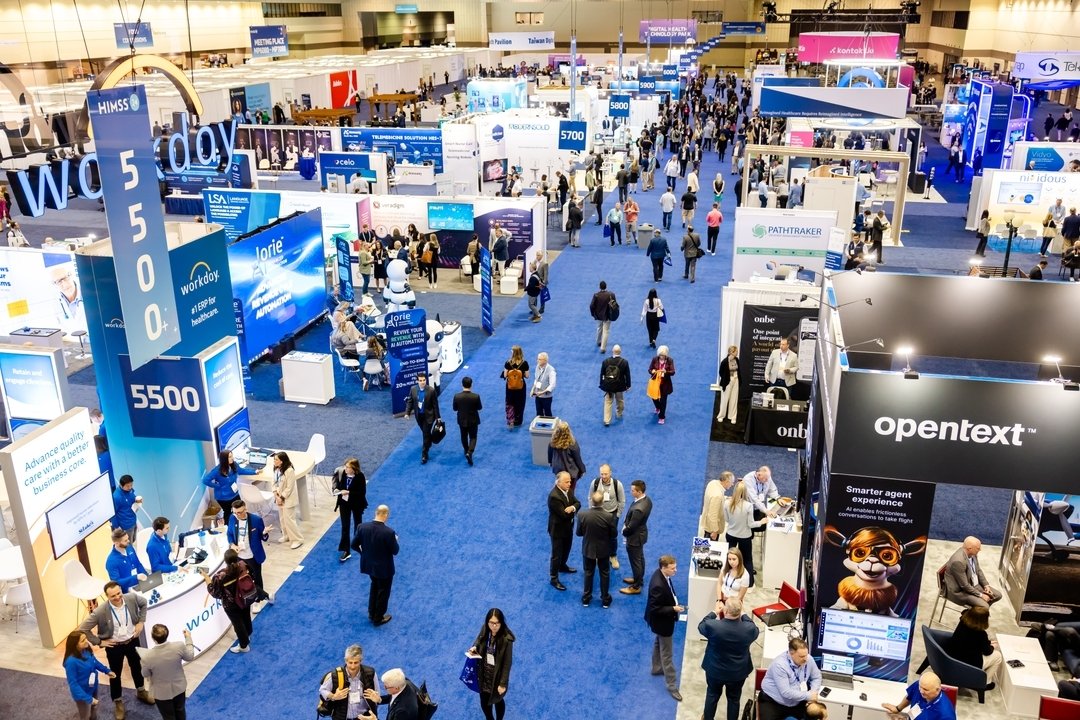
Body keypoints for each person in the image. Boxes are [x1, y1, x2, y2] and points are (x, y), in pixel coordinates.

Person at [78, 581, 154, 716]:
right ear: (107, 597)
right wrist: (99, 642)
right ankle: (118, 702)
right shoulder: (100, 611)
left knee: (137, 667)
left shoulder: (131, 597)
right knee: (115, 674)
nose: (118, 597)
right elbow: (83, 628)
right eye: (113, 596)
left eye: (119, 593)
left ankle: (141, 691)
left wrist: (141, 622)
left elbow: (144, 603)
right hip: (114, 647)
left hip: (133, 641)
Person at [699, 597, 759, 720]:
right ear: (740, 611)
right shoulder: (749, 629)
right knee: (734, 699)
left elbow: (701, 625)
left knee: (712, 695)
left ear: (725, 611)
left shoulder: (713, 625)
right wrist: (743, 613)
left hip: (715, 670)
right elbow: (754, 627)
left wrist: (714, 612)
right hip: (737, 673)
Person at [642, 554, 686, 701]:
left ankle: (656, 668)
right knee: (667, 654)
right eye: (673, 568)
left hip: (659, 623)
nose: (676, 571)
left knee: (658, 642)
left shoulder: (660, 575)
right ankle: (672, 686)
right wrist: (673, 609)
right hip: (662, 622)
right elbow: (655, 608)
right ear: (664, 567)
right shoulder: (658, 585)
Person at [352, 504, 399, 626]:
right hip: (384, 569)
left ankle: (371, 612)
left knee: (374, 587)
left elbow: (353, 545)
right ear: (386, 515)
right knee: (383, 591)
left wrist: (363, 554)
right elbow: (395, 551)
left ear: (376, 513)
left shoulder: (362, 527)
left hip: (369, 566)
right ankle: (378, 618)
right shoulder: (389, 533)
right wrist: (395, 540)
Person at [467, 608, 516, 720]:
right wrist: (474, 646)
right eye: (491, 623)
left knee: (498, 700)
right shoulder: (485, 628)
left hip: (497, 677)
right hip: (483, 674)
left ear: (501, 623)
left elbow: (507, 664)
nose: (494, 626)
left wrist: (503, 683)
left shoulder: (506, 639)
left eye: (497, 623)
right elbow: (479, 640)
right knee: (484, 701)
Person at [758, 638, 823, 720]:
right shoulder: (779, 665)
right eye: (802, 656)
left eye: (806, 655)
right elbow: (786, 692)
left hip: (798, 701)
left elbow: (816, 677)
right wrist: (808, 695)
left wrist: (813, 692)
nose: (805, 659)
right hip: (774, 702)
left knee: (816, 715)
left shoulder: (808, 659)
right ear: (791, 654)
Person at [138, 624, 194, 720]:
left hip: (161, 694)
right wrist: (188, 639)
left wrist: (142, 663)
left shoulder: (147, 656)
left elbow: (145, 674)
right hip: (179, 688)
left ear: (153, 638)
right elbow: (190, 656)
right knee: (180, 711)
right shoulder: (179, 646)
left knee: (168, 717)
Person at [226, 500, 273, 610]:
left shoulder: (256, 520)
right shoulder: (232, 518)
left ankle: (258, 600)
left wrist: (265, 533)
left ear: (245, 509)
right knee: (243, 579)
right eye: (235, 512)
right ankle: (264, 596)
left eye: (240, 512)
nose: (237, 515)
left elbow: (263, 537)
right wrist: (232, 544)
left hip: (253, 556)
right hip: (239, 556)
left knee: (256, 578)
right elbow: (229, 534)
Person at [942, 606, 1003, 688]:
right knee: (998, 656)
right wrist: (992, 646)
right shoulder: (981, 634)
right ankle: (985, 683)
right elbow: (987, 651)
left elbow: (974, 643)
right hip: (968, 664)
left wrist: (987, 642)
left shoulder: (962, 622)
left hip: (953, 656)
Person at [724, 482, 772, 585]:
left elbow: (726, 519)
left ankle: (727, 578)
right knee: (747, 559)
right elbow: (751, 524)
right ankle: (749, 583)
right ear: (746, 492)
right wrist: (761, 522)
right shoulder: (748, 506)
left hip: (731, 534)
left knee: (729, 557)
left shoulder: (727, 503)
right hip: (745, 537)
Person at [63, 630, 116, 720]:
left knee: (94, 709)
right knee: (85, 715)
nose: (86, 641)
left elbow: (94, 662)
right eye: (83, 640)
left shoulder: (86, 650)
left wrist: (106, 671)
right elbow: (73, 685)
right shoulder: (71, 662)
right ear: (75, 645)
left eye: (85, 639)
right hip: (82, 694)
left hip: (93, 686)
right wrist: (89, 699)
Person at [577, 491, 617, 608]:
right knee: (604, 573)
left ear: (591, 501)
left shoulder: (582, 515)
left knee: (588, 573)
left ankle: (586, 598)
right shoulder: (608, 516)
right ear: (603, 502)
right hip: (604, 550)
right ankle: (605, 600)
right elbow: (613, 534)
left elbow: (579, 533)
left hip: (588, 548)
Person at [318, 644, 378, 720]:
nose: (353, 666)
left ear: (361, 661)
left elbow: (377, 695)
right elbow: (322, 690)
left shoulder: (370, 673)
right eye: (350, 662)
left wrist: (377, 700)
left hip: (364, 717)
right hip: (341, 717)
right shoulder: (335, 675)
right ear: (345, 660)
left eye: (356, 663)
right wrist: (333, 696)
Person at [202, 450, 257, 527]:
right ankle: (228, 528)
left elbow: (241, 471)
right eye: (230, 457)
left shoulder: (233, 465)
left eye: (232, 456)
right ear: (224, 459)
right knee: (228, 512)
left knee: (240, 508)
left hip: (234, 493)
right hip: (224, 497)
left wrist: (255, 471)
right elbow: (205, 480)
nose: (232, 458)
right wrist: (218, 486)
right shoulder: (217, 471)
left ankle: (241, 524)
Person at [944, 536, 1002, 608]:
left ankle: (977, 613)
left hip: (974, 585)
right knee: (985, 606)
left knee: (998, 595)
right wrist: (981, 595)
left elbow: (978, 570)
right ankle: (976, 614)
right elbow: (964, 586)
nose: (980, 550)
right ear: (969, 548)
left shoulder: (973, 554)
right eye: (978, 548)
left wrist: (986, 585)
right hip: (961, 592)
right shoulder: (958, 561)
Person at [548, 471, 580, 591]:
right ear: (558, 482)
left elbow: (578, 503)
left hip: (568, 528)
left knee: (567, 549)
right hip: (557, 531)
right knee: (556, 555)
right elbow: (564, 515)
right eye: (566, 482)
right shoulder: (554, 497)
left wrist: (572, 507)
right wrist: (573, 510)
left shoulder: (568, 490)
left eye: (570, 481)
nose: (569, 483)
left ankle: (562, 566)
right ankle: (554, 578)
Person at [332, 458, 368, 562]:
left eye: (348, 467)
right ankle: (346, 550)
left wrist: (348, 492)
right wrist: (337, 490)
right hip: (344, 504)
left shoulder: (360, 477)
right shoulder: (342, 473)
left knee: (358, 524)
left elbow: (362, 493)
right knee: (345, 526)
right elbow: (337, 484)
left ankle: (359, 544)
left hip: (356, 503)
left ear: (354, 468)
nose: (345, 469)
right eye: (345, 466)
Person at [882, 670, 957, 720]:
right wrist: (898, 708)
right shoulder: (920, 684)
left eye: (926, 689)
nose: (921, 691)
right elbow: (909, 696)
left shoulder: (946, 715)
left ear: (937, 689)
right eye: (920, 687)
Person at [620, 480, 651, 595]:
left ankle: (636, 586)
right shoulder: (647, 500)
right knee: (640, 558)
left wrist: (624, 532)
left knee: (636, 562)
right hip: (641, 535)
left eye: (633, 490)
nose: (631, 491)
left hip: (634, 538)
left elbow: (631, 527)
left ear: (639, 492)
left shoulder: (638, 509)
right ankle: (639, 579)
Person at [404, 373, 441, 464]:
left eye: (424, 380)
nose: (422, 382)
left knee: (425, 434)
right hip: (419, 416)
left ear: (426, 380)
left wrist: (438, 418)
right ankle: (429, 441)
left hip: (429, 417)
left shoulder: (431, 391)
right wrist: (407, 413)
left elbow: (435, 405)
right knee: (426, 433)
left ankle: (424, 455)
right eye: (420, 380)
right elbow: (410, 401)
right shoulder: (413, 389)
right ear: (417, 381)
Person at [271, 451, 304, 548]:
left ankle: (297, 539)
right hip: (278, 497)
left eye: (276, 459)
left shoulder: (289, 471)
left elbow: (290, 487)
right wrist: (275, 494)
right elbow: (273, 481)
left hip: (287, 499)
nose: (274, 461)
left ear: (282, 461)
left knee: (289, 520)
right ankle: (286, 535)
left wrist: (281, 497)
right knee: (282, 518)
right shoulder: (276, 469)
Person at [548, 420, 586, 491]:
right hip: (570, 471)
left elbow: (550, 453)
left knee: (560, 483)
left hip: (558, 468)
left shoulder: (553, 441)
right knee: (570, 489)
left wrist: (551, 462)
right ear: (568, 430)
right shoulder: (573, 444)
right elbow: (578, 459)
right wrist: (583, 470)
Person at [452, 375, 482, 466]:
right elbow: (479, 407)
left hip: (461, 420)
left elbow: (454, 408)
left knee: (463, 436)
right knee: (473, 437)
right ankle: (470, 452)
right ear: (471, 385)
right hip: (473, 420)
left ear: (462, 385)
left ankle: (466, 450)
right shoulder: (475, 396)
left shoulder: (457, 396)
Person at [105, 528, 147, 592]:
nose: (129, 541)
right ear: (117, 543)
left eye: (127, 538)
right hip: (128, 590)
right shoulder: (111, 562)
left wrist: (146, 576)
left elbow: (138, 564)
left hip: (141, 583)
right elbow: (117, 583)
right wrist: (136, 577)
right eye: (125, 540)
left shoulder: (129, 547)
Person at [599, 345, 631, 427]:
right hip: (619, 386)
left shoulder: (605, 361)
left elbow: (602, 374)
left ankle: (606, 420)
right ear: (620, 352)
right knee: (620, 401)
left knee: (608, 402)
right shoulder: (624, 362)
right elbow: (627, 375)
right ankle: (619, 413)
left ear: (612, 351)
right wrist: (628, 385)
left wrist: (602, 384)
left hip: (608, 386)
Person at [501, 346, 529, 428]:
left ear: (513, 353)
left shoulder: (507, 363)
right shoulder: (524, 363)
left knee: (510, 402)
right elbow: (527, 376)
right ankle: (518, 421)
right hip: (520, 387)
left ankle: (510, 420)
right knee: (520, 403)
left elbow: (505, 375)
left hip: (510, 387)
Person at [701, 472, 735, 540]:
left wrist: (725, 498)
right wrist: (715, 531)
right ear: (726, 481)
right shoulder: (717, 496)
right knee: (710, 549)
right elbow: (712, 515)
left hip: (707, 522)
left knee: (705, 547)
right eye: (732, 482)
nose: (732, 484)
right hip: (712, 528)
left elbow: (711, 498)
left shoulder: (713, 483)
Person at [648, 345, 676, 424]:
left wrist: (666, 372)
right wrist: (652, 371)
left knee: (663, 401)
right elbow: (649, 369)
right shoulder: (654, 359)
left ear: (666, 355)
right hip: (655, 383)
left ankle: (661, 416)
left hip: (665, 384)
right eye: (660, 355)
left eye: (663, 356)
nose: (661, 357)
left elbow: (673, 372)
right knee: (654, 398)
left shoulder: (670, 360)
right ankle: (658, 407)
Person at [111, 474, 140, 542]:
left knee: (133, 539)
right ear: (121, 485)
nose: (130, 487)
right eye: (127, 486)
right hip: (125, 526)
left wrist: (137, 501)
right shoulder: (116, 497)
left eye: (131, 485)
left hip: (133, 520)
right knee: (128, 544)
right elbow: (113, 514)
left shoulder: (130, 490)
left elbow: (132, 497)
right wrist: (117, 527)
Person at [590, 281, 616, 354]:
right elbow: (615, 305)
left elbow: (591, 306)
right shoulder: (610, 295)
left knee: (599, 328)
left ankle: (598, 341)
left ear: (599, 287)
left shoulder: (596, 295)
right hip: (608, 316)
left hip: (598, 316)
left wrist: (593, 314)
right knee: (606, 331)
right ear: (606, 286)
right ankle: (603, 348)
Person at [717, 345, 741, 424]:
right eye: (736, 351)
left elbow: (739, 370)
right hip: (727, 382)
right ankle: (721, 416)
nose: (737, 352)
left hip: (736, 380)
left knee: (734, 399)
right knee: (724, 399)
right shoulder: (724, 362)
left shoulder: (737, 360)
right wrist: (726, 379)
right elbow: (720, 372)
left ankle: (732, 416)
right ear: (731, 352)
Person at [531, 352, 556, 418]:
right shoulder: (537, 367)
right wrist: (533, 389)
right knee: (538, 412)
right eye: (537, 359)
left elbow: (552, 385)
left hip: (546, 397)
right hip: (538, 395)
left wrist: (542, 392)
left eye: (539, 359)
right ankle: (539, 427)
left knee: (547, 413)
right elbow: (537, 379)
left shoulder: (551, 370)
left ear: (545, 360)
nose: (537, 360)